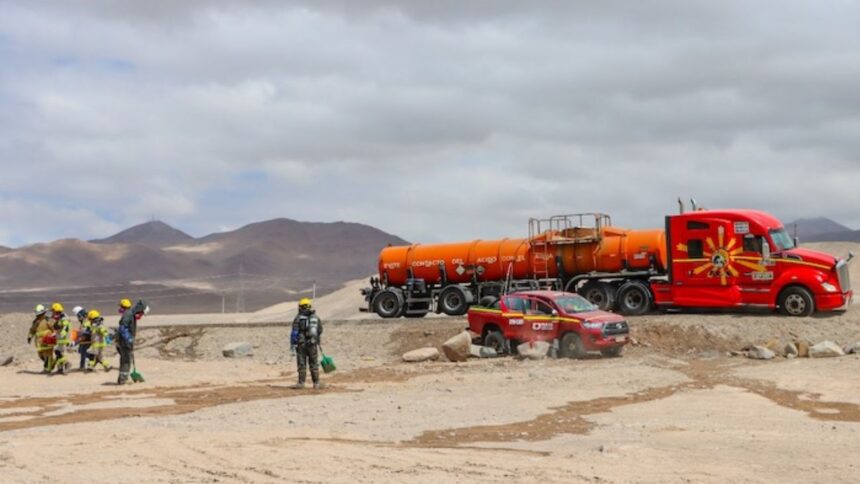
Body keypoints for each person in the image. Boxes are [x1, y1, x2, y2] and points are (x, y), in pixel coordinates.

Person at [290, 298, 324, 389]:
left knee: (302, 364)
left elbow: (294, 333)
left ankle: (301, 383)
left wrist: (293, 344)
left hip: (301, 345)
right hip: (312, 344)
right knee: (314, 363)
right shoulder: (315, 318)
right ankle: (316, 383)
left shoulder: (298, 318)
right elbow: (320, 330)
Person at [116, 300, 148, 385]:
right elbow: (123, 327)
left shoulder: (130, 313)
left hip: (124, 341)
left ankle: (121, 379)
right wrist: (128, 338)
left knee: (125, 360)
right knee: (126, 360)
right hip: (125, 342)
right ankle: (123, 380)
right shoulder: (128, 314)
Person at [27, 304, 55, 373]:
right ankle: (51, 364)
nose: (38, 316)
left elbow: (53, 328)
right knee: (41, 354)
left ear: (43, 313)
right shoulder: (35, 321)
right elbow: (32, 330)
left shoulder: (47, 320)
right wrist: (29, 336)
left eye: (39, 314)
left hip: (47, 340)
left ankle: (47, 369)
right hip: (39, 342)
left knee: (48, 354)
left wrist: (54, 335)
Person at [50, 303, 72, 374]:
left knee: (58, 352)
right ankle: (60, 369)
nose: (52, 312)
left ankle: (67, 364)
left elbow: (66, 326)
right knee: (59, 354)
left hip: (63, 338)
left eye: (53, 310)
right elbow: (58, 328)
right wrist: (55, 334)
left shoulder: (64, 317)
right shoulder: (59, 318)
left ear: (57, 310)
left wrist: (63, 333)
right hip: (59, 338)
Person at [73, 306, 93, 371]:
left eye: (78, 316)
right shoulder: (85, 321)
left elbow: (85, 334)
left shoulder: (86, 322)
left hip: (86, 340)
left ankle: (84, 366)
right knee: (80, 351)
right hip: (84, 340)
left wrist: (76, 342)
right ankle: (83, 365)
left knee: (83, 352)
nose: (78, 318)